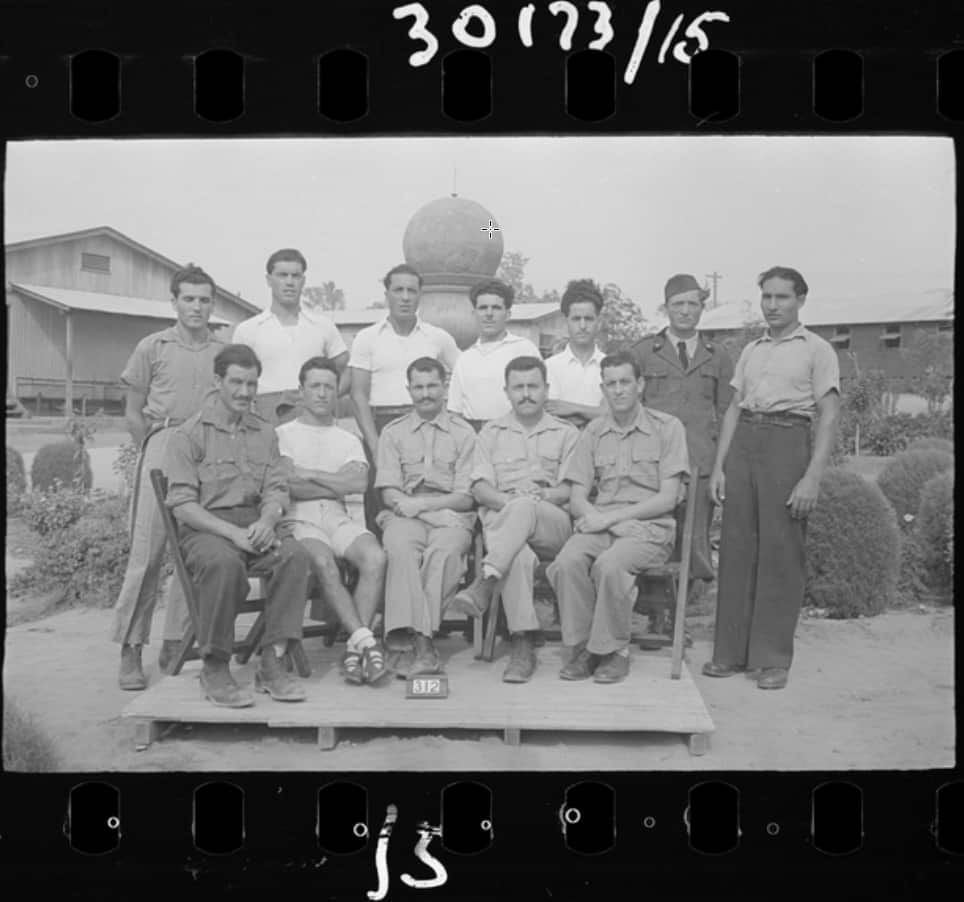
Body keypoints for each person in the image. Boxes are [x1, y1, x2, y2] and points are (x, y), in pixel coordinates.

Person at [704, 267, 840, 690]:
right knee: (736, 547)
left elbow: (829, 414)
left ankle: (771, 659)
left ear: (801, 300)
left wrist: (812, 476)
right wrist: (720, 467)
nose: (773, 305)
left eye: (782, 297)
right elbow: (734, 407)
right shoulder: (752, 349)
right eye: (767, 296)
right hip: (745, 442)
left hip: (788, 440)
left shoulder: (817, 349)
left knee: (781, 551)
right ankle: (729, 652)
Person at [164, 344, 314, 708]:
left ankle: (272, 661)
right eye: (236, 382)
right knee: (224, 564)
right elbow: (182, 505)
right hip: (208, 529)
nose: (245, 392)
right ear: (217, 382)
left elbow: (276, 488)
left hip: (255, 524)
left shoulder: (264, 432)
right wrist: (232, 534)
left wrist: (267, 519)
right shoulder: (189, 435)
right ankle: (215, 667)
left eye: (251, 384)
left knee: (295, 556)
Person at [111, 264, 227, 690]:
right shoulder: (152, 346)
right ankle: (131, 647)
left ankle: (176, 640)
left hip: (207, 449)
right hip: (163, 441)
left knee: (196, 545)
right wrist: (153, 447)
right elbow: (132, 411)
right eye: (188, 299)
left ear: (212, 304)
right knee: (148, 551)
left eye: (204, 300)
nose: (196, 307)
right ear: (174, 301)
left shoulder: (224, 351)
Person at [547, 352, 690, 684]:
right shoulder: (593, 432)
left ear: (640, 385)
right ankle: (584, 647)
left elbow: (668, 498)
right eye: (611, 384)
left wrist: (612, 519)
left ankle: (614, 651)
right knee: (566, 562)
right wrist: (603, 520)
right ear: (603, 389)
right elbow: (577, 497)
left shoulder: (667, 428)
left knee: (609, 566)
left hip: (649, 528)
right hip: (603, 524)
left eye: (625, 382)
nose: (619, 390)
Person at [451, 356, 579, 682]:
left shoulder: (566, 433)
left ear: (546, 389)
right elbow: (480, 488)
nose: (526, 394)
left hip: (552, 523)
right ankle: (523, 642)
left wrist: (539, 496)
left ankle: (486, 580)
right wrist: (512, 503)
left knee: (523, 510)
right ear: (506, 391)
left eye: (533, 386)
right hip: (504, 519)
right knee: (518, 555)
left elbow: (569, 489)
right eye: (518, 387)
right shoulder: (490, 433)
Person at [276, 357, 389, 685]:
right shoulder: (283, 435)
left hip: (338, 516)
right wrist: (335, 481)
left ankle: (354, 651)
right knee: (324, 563)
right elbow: (288, 485)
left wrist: (308, 474)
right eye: (315, 386)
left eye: (329, 387)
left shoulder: (348, 438)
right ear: (301, 391)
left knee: (375, 557)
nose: (323, 393)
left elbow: (358, 483)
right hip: (300, 518)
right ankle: (367, 643)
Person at [375, 357, 478, 677]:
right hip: (406, 514)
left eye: (432, 386)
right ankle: (409, 640)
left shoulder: (464, 433)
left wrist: (423, 507)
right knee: (400, 547)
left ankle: (419, 638)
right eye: (418, 387)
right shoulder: (393, 433)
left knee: (444, 553)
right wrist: (417, 508)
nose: (425, 394)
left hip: (451, 514)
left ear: (445, 388)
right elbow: (389, 491)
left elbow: (467, 496)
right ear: (409, 390)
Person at [630, 273, 734, 583]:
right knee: (650, 535)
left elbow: (727, 413)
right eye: (678, 304)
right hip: (652, 465)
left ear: (702, 308)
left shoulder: (718, 355)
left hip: (699, 463)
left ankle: (688, 602)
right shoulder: (643, 352)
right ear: (666, 308)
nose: (685, 311)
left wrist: (720, 468)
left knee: (694, 542)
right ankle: (652, 602)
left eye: (692, 304)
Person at [349, 264, 461, 531]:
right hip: (382, 426)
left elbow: (463, 377)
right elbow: (358, 394)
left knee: (425, 494)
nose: (405, 297)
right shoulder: (367, 338)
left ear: (420, 295)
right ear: (386, 294)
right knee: (381, 503)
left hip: (427, 424)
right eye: (398, 290)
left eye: (412, 291)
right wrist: (375, 445)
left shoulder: (438, 337)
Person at [232, 249, 349, 425]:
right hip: (264, 416)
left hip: (312, 416)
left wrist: (325, 397)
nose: (289, 282)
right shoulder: (248, 329)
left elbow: (346, 368)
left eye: (295, 276)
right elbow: (235, 377)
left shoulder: (322, 325)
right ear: (269, 280)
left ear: (303, 281)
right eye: (282, 275)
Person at [446, 279, 541, 429]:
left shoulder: (524, 349)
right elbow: (454, 411)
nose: (489, 314)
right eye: (483, 308)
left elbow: (541, 399)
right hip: (474, 433)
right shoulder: (465, 358)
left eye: (496, 308)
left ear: (508, 314)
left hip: (516, 432)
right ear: (474, 313)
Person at [544, 279, 607, 428]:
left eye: (588, 319)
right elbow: (550, 414)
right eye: (576, 319)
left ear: (599, 322)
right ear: (566, 321)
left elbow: (613, 415)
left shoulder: (610, 367)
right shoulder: (548, 367)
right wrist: (595, 412)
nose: (583, 326)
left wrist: (572, 408)